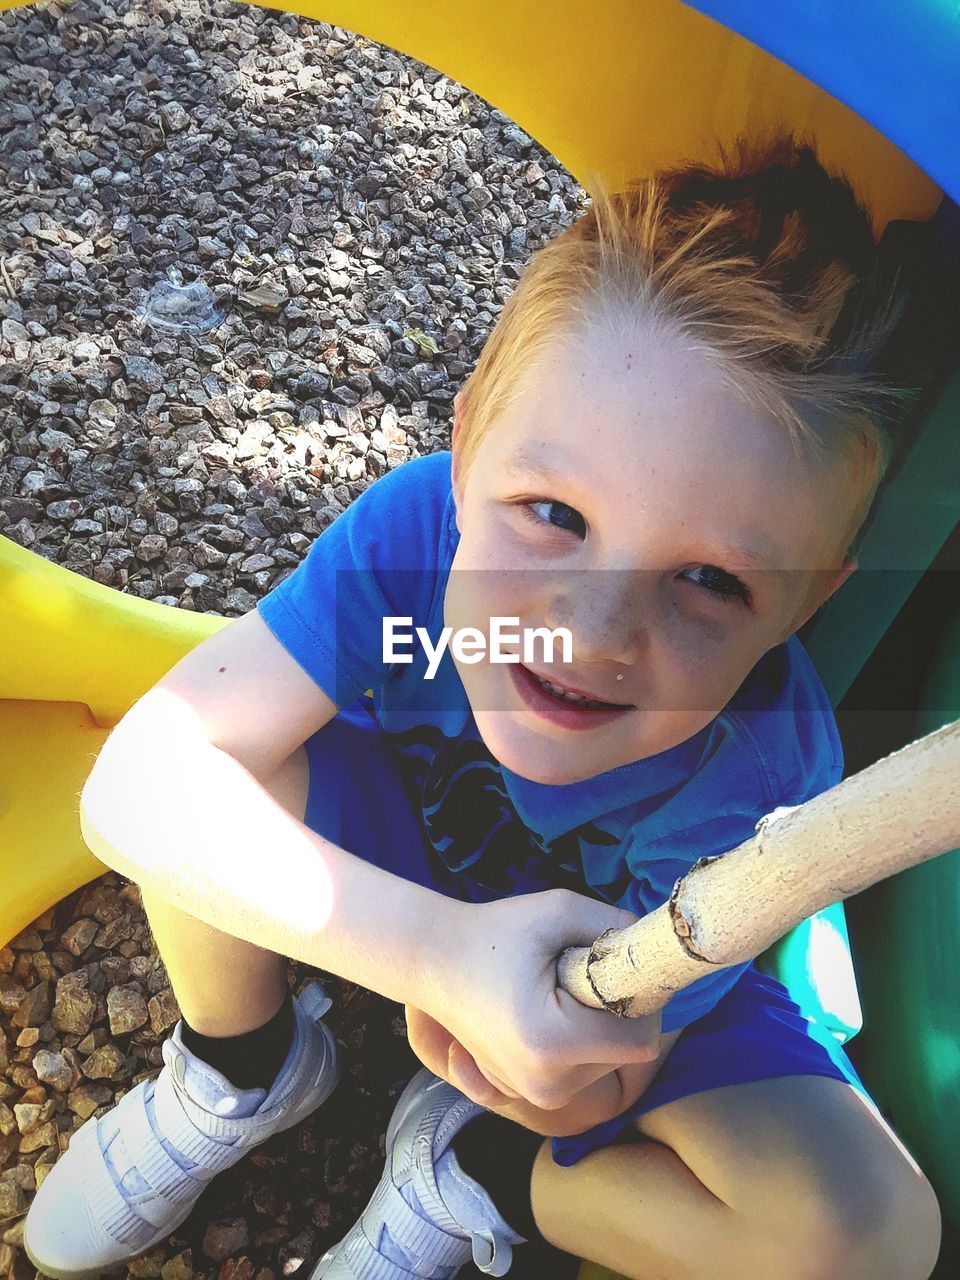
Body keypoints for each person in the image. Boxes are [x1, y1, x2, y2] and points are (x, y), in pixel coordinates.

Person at [24, 136, 942, 1280]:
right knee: (220, 769)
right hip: (410, 868)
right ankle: (241, 1059)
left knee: (872, 1236)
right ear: (463, 455)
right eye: (551, 513)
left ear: (803, 602)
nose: (591, 631)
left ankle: (478, 1172)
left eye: (712, 580)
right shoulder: (411, 542)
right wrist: (438, 951)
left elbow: (616, 1039)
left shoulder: (761, 768)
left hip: (624, 972)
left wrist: (546, 1080)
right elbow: (138, 780)